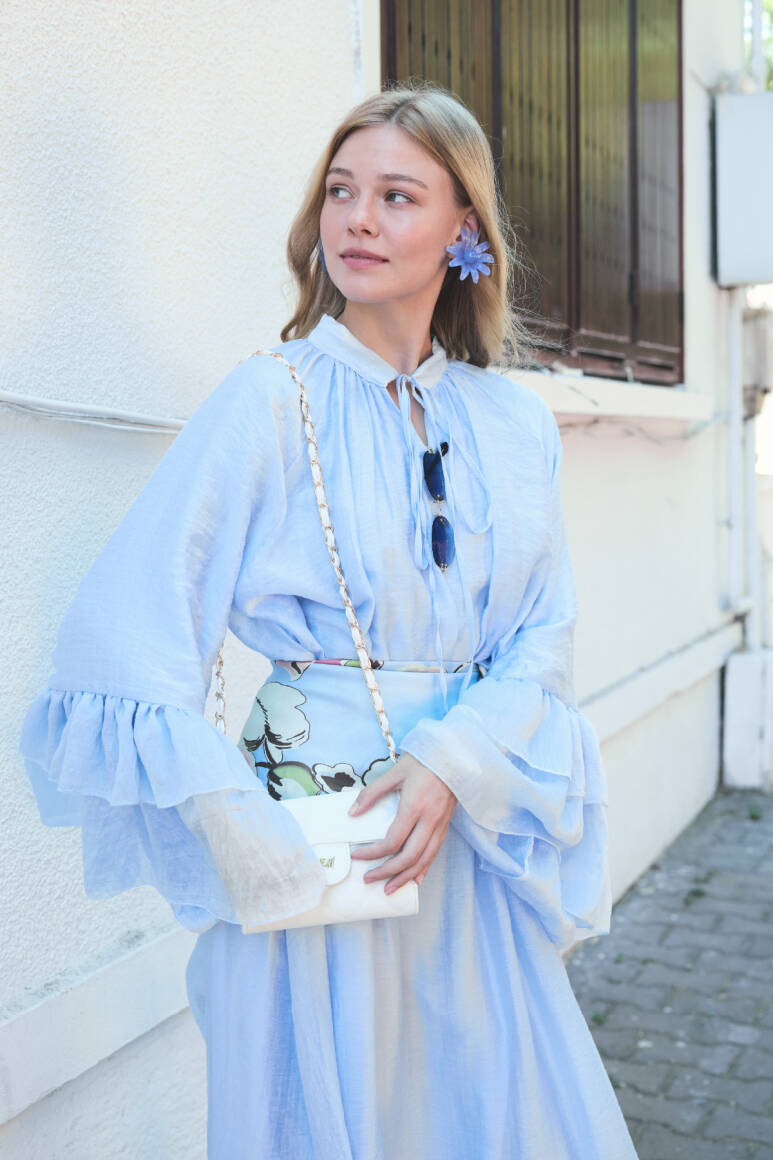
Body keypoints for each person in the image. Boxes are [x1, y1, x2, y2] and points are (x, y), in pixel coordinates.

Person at [19, 82, 639, 1159]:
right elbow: (127, 632)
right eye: (340, 191)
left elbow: (543, 635)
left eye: (397, 196)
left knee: (477, 1108)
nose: (356, 219)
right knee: (324, 1105)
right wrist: (230, 817)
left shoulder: (511, 422)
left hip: (462, 830)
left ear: (464, 229)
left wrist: (449, 763)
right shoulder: (269, 398)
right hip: (316, 835)